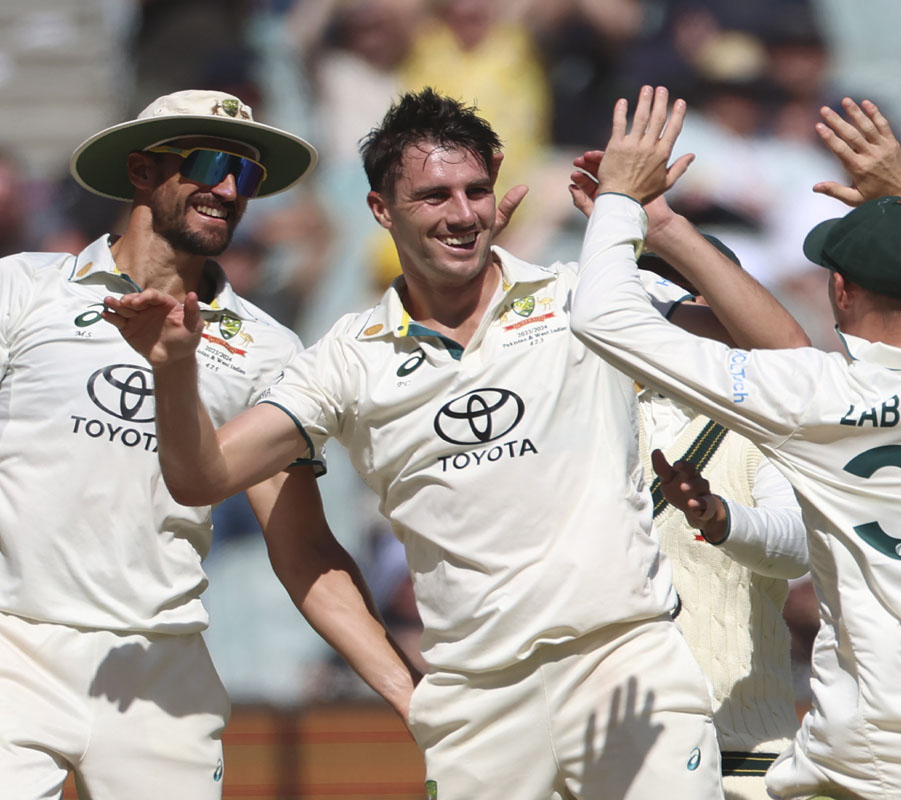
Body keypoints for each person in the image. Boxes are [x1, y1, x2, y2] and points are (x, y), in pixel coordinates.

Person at [102, 87, 809, 799]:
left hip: (625, 663)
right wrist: (174, 367)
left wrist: (661, 226)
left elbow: (786, 352)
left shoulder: (579, 298)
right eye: (434, 196)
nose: (464, 214)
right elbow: (201, 478)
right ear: (381, 210)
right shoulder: (347, 358)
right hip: (476, 704)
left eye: (476, 190)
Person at [570, 85, 901, 800]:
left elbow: (606, 318)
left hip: (873, 764)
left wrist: (625, 203)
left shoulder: (815, 398)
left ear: (838, 291)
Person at [0, 89, 419, 800]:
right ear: (140, 171)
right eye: (213, 162)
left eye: (247, 175)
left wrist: (412, 699)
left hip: (164, 670)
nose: (229, 190)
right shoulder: (22, 290)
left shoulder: (267, 349)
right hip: (13, 646)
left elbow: (303, 548)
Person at [633, 251, 808, 800]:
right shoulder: (589, 412)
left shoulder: (766, 420)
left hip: (744, 749)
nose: (675, 313)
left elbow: (797, 547)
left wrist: (722, 517)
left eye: (691, 294)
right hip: (618, 744)